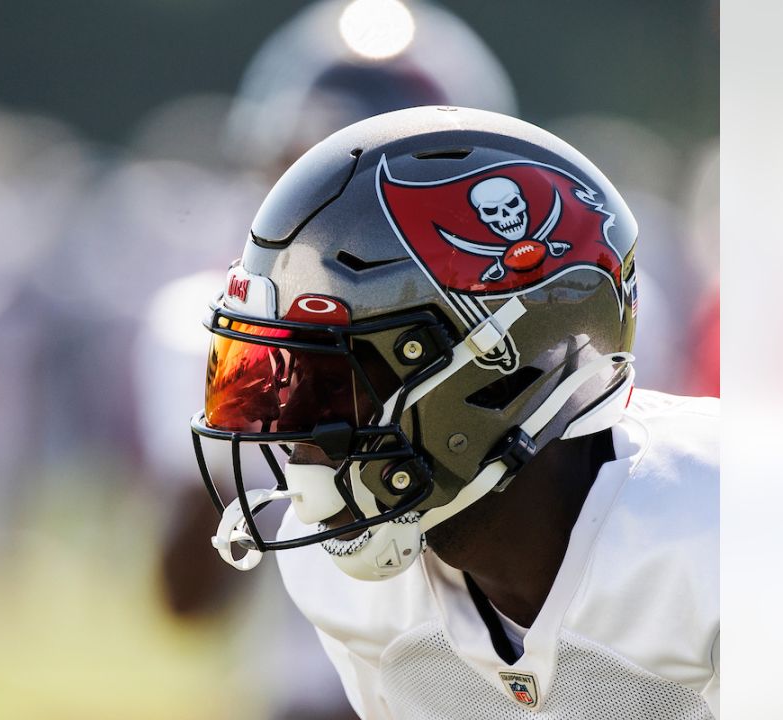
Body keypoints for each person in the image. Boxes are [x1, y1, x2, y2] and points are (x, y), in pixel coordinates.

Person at [188, 106, 719, 718]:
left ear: (496, 364)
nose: (289, 432)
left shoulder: (732, 531)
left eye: (327, 383)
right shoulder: (340, 586)